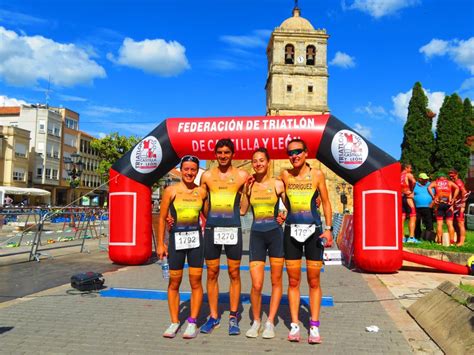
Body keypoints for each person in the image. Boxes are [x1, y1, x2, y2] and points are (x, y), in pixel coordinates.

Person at [279, 138, 333, 344]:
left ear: (306, 152)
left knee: (314, 280)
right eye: (290, 153)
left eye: (298, 152)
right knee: (293, 281)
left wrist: (328, 230)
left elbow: (326, 202)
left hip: (314, 231)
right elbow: (283, 199)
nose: (294, 156)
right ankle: (294, 324)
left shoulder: (317, 174)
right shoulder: (284, 175)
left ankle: (314, 325)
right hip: (291, 231)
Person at [199, 138, 249, 335]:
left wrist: (247, 193)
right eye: (219, 153)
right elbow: (203, 207)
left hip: (232, 229)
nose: (223, 156)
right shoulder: (207, 176)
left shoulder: (242, 175)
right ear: (215, 154)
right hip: (212, 229)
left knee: (234, 273)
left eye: (227, 152)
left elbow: (244, 210)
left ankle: (233, 316)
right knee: (212, 273)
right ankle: (213, 317)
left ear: (232, 154)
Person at [156, 155, 208, 339]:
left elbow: (209, 215)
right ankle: (174, 321)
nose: (189, 173)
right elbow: (162, 218)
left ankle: (192, 322)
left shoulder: (201, 192)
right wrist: (161, 243)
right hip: (177, 240)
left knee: (195, 282)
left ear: (197, 171)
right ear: (180, 169)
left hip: (196, 241)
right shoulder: (171, 191)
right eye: (186, 169)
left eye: (193, 169)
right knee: (174, 282)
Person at [240, 148, 286, 339]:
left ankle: (270, 323)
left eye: (261, 160)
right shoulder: (250, 186)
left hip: (275, 235)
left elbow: (290, 206)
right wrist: (244, 190)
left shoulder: (277, 184)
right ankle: (256, 321)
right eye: (255, 161)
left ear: (268, 162)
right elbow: (243, 211)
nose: (258, 164)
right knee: (257, 284)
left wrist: (284, 214)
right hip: (257, 235)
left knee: (276, 281)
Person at [428, 172, 459, 244]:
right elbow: (457, 188)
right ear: (445, 177)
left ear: (438, 178)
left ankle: (439, 241)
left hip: (439, 204)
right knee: (450, 224)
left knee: (439, 224)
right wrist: (453, 199)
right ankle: (451, 242)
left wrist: (433, 197)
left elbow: (428, 187)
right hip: (449, 204)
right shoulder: (449, 182)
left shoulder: (435, 182)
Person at [449, 169, 470, 246]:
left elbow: (465, 193)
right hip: (455, 206)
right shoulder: (453, 182)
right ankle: (458, 240)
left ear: (456, 174)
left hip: (459, 206)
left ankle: (461, 242)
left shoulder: (458, 182)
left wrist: (462, 204)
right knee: (455, 223)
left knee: (460, 223)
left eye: (453, 176)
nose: (451, 177)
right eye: (450, 176)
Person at [413, 173, 434, 242]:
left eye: (426, 179)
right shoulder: (414, 185)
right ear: (419, 179)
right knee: (417, 221)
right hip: (417, 207)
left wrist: (433, 204)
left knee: (429, 222)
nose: (426, 180)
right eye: (424, 179)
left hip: (428, 207)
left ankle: (429, 238)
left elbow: (435, 195)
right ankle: (417, 236)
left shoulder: (430, 184)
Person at [400, 163, 417, 243]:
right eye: (410, 168)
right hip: (408, 197)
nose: (411, 170)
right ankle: (411, 238)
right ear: (406, 168)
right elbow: (414, 182)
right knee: (413, 216)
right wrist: (411, 191)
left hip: (401, 197)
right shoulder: (408, 174)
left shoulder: (398, 175)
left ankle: (402, 238)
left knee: (402, 218)